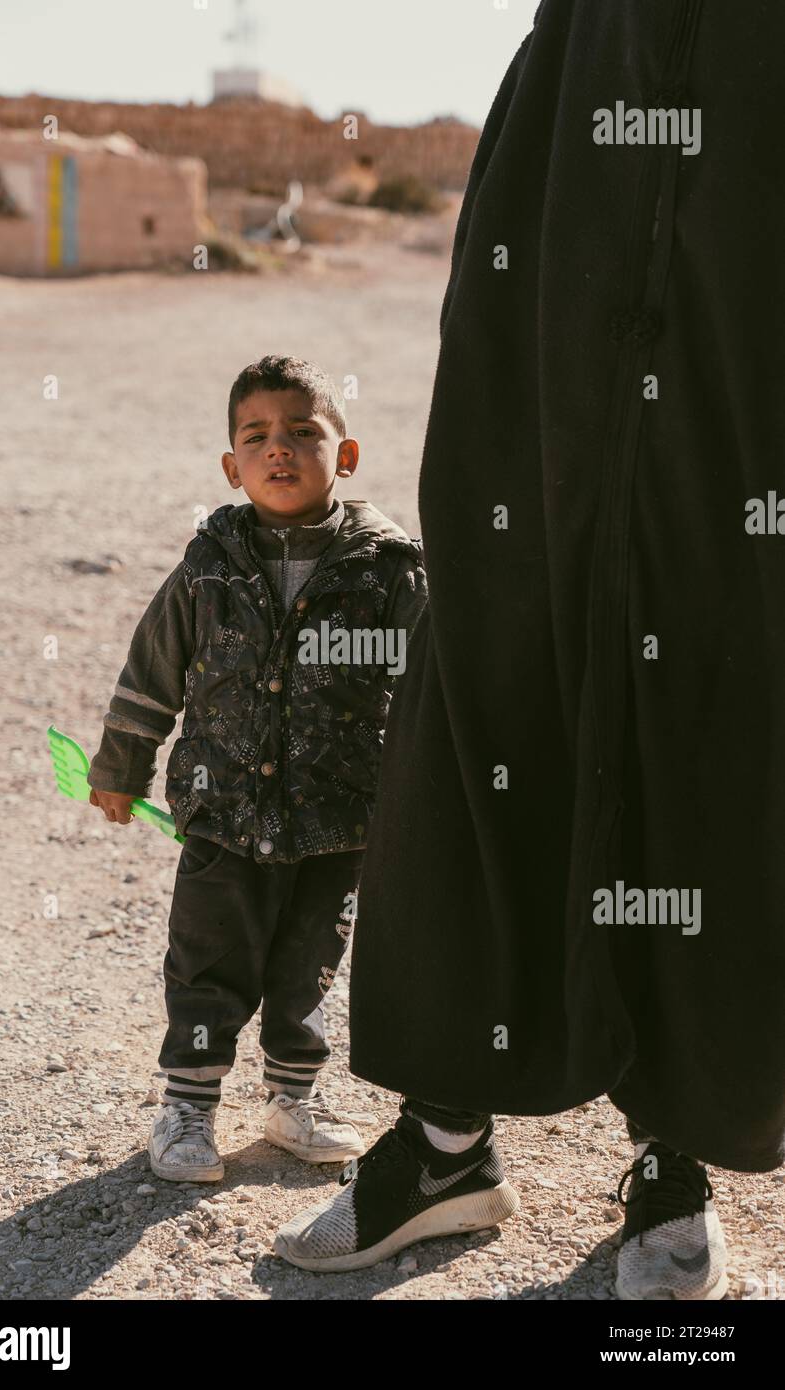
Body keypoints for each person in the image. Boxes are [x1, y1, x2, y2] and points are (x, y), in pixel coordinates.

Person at [275, 0, 785, 1299]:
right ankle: (445, 1142)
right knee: (489, 700)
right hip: (577, 186)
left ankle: (672, 1168)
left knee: (703, 730)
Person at [87, 355, 427, 1183]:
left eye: (303, 432)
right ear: (232, 466)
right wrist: (123, 763)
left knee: (308, 963)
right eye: (257, 436)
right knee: (208, 959)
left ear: (344, 456)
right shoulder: (208, 562)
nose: (281, 449)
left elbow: (432, 691)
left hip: (336, 815)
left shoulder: (389, 569)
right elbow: (153, 667)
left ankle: (291, 1099)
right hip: (222, 809)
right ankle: (189, 1109)